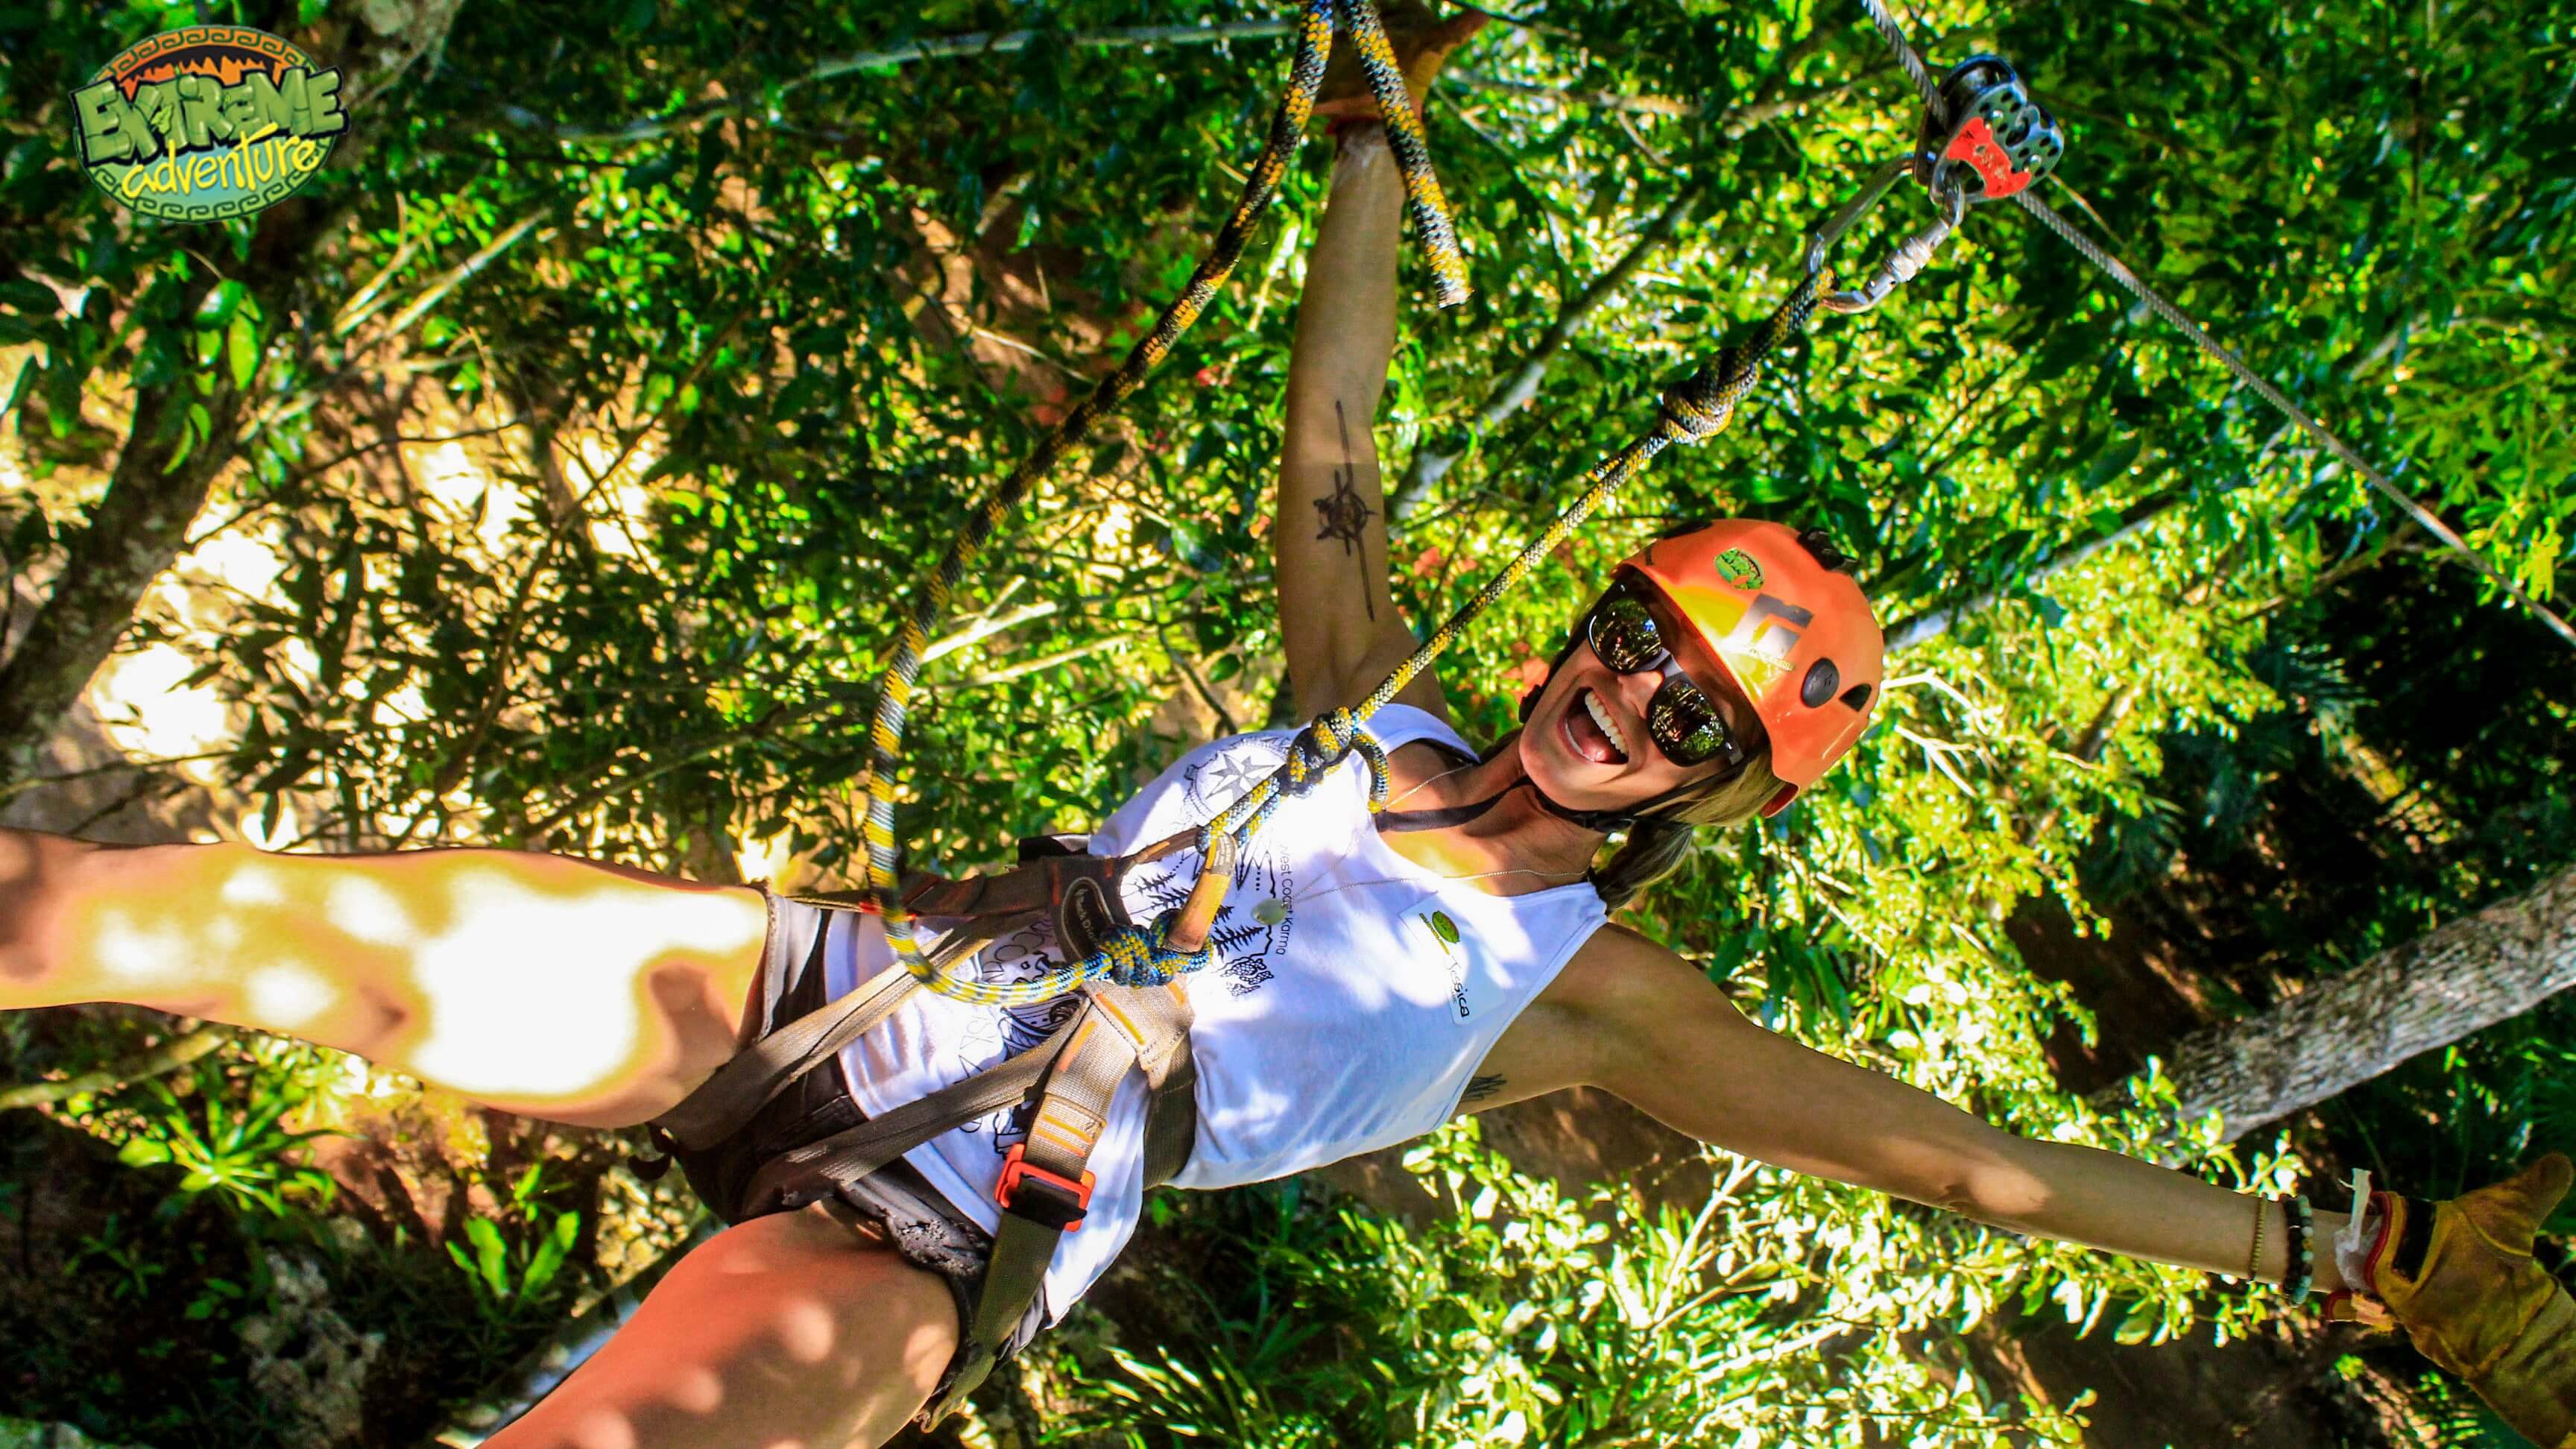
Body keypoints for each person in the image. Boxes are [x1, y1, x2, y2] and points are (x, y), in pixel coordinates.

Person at [1, 16, 2566, 1449]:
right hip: (807, 981)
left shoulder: (1587, 999)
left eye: (1690, 712)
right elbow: (1332, 437)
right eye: (1636, 642)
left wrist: (2332, 1251)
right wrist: (1375, 108)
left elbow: (1956, 1167)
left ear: (1712, 791)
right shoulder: (1372, 700)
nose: (1629, 696)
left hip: (931, 1237)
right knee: (142, 914)